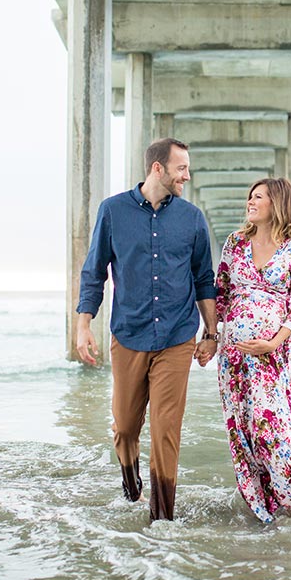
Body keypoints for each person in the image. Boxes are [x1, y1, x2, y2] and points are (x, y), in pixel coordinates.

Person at [74, 138, 219, 521]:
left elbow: (203, 279)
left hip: (176, 337)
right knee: (125, 427)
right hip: (129, 334)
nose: (187, 176)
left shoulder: (192, 219)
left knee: (165, 429)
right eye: (181, 168)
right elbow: (94, 271)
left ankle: (162, 519)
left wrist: (211, 334)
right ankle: (131, 488)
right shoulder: (112, 211)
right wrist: (84, 324)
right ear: (158, 168)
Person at [214, 177, 291, 522]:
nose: (250, 202)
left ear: (277, 203)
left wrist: (272, 343)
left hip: (271, 356)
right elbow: (221, 294)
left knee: (272, 428)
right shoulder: (235, 242)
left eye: (258, 197)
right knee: (245, 431)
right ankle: (262, 505)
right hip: (233, 357)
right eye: (250, 196)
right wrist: (208, 336)